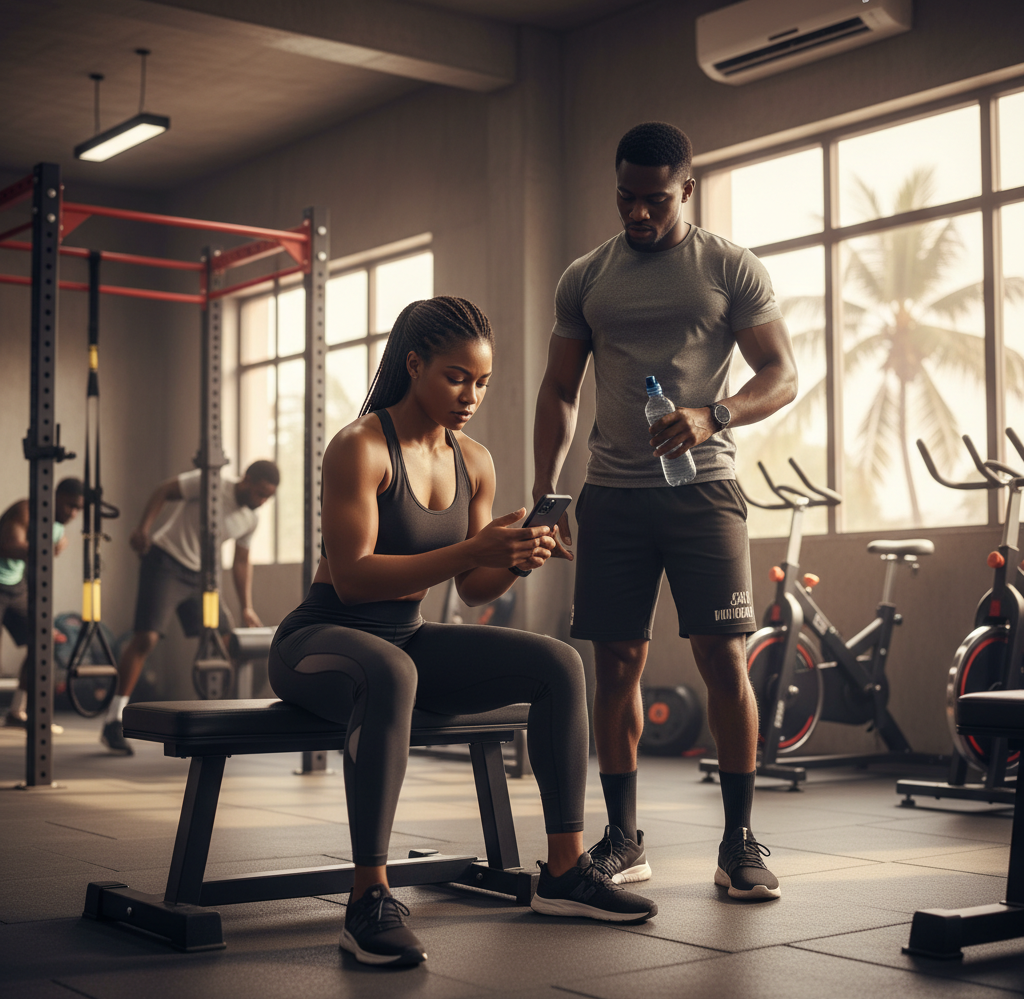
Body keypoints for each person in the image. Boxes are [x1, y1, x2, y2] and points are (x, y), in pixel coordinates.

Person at [270, 296, 657, 968]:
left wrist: (511, 560)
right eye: (456, 377)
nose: (471, 395)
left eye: (481, 381)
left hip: (408, 637)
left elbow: (473, 589)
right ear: (415, 365)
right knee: (390, 673)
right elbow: (356, 577)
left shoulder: (473, 459)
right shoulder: (359, 446)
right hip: (321, 642)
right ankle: (369, 899)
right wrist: (474, 553)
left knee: (558, 664)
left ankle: (563, 872)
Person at [532, 122, 798, 902]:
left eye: (654, 199)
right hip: (612, 494)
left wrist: (715, 414)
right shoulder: (586, 277)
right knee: (614, 666)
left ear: (687, 187)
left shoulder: (728, 267)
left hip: (705, 490)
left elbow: (781, 371)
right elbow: (559, 389)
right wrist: (550, 490)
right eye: (626, 197)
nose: (638, 213)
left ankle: (739, 841)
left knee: (724, 659)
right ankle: (622, 840)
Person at [101, 460, 280, 754]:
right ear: (246, 479)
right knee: (146, 638)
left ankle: (228, 721)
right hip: (165, 562)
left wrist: (247, 606)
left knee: (227, 643)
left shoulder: (251, 519)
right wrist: (144, 528)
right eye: (260, 493)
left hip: (201, 579)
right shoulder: (211, 482)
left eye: (268, 497)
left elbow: (241, 562)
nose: (262, 502)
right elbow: (163, 491)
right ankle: (112, 719)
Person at [1, 478, 85, 730]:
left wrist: (51, 546)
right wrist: (49, 548)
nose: (73, 513)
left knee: (42, 641)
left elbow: (41, 552)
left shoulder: (58, 527)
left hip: (16, 586)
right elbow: (10, 546)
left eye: (78, 508)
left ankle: (18, 710)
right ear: (56, 496)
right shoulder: (25, 510)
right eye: (70, 505)